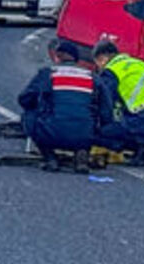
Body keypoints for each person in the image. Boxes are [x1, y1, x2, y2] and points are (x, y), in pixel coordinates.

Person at [17, 38, 108, 172]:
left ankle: (50, 158)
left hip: (52, 133)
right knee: (87, 119)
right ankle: (81, 153)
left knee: (28, 116)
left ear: (57, 56)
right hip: (85, 135)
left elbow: (24, 99)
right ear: (77, 59)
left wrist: (39, 106)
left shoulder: (48, 73)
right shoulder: (93, 77)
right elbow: (107, 111)